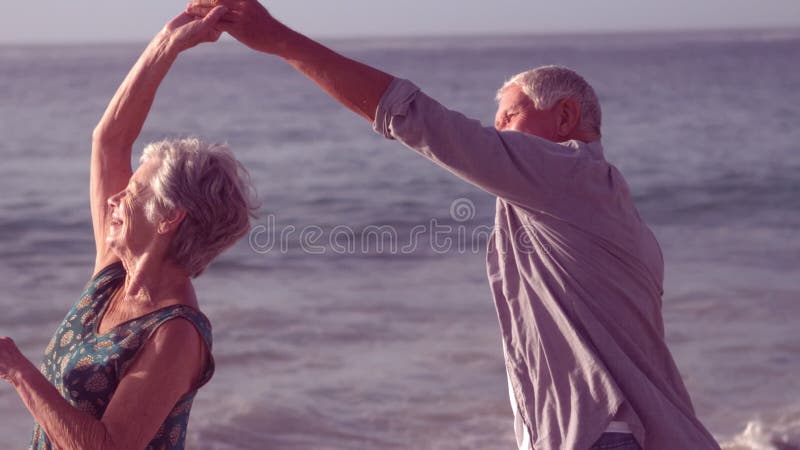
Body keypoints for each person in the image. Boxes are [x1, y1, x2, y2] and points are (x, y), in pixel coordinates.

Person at [185, 1, 723, 449]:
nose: (498, 133)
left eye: (509, 118)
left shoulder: (569, 174)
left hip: (605, 435)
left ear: (563, 119)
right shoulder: (598, 201)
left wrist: (280, 40)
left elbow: (418, 119)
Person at [0, 6, 256, 449]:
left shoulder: (176, 333)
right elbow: (110, 142)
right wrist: (168, 43)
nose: (114, 200)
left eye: (133, 194)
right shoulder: (113, 273)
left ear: (169, 217)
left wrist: (17, 369)